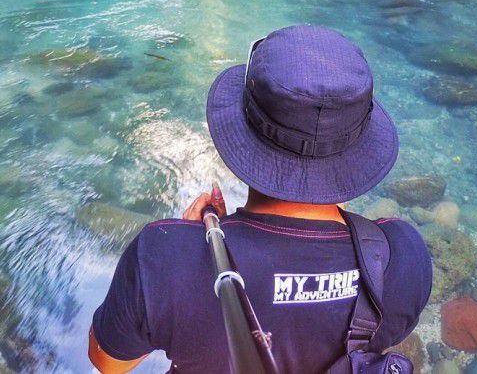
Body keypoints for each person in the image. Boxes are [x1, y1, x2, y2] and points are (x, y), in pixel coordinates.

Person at [89, 26, 432, 374]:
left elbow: (109, 364)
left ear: (242, 128)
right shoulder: (402, 258)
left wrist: (186, 248)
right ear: (358, 143)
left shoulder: (161, 256)